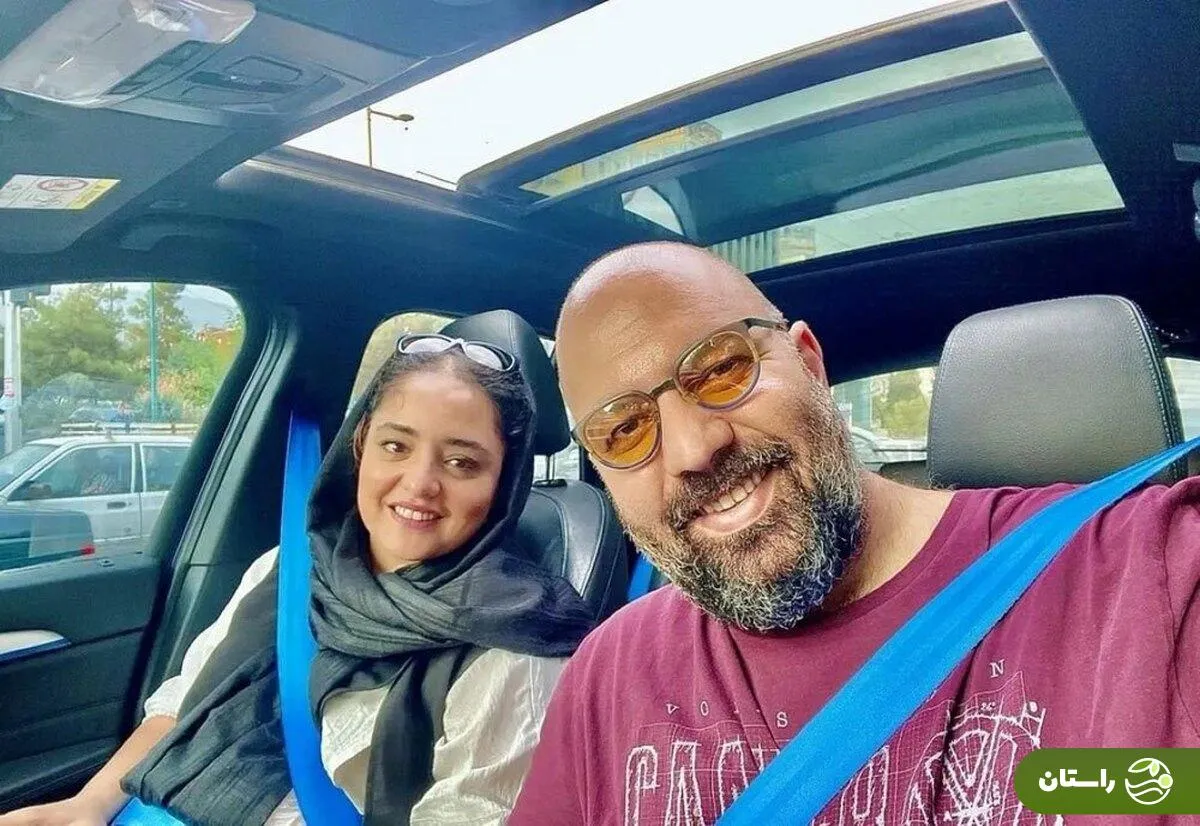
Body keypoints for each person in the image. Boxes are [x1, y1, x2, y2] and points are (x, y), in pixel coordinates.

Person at [509, 241, 1200, 824]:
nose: (694, 449)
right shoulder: (606, 674)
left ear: (809, 364)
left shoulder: (1152, 572)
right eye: (625, 430)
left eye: (721, 370)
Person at [2, 333, 596, 826]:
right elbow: (181, 709)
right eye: (396, 445)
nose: (419, 483)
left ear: (503, 483)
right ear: (361, 446)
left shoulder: (517, 649)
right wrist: (85, 808)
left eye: (462, 462)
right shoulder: (287, 572)